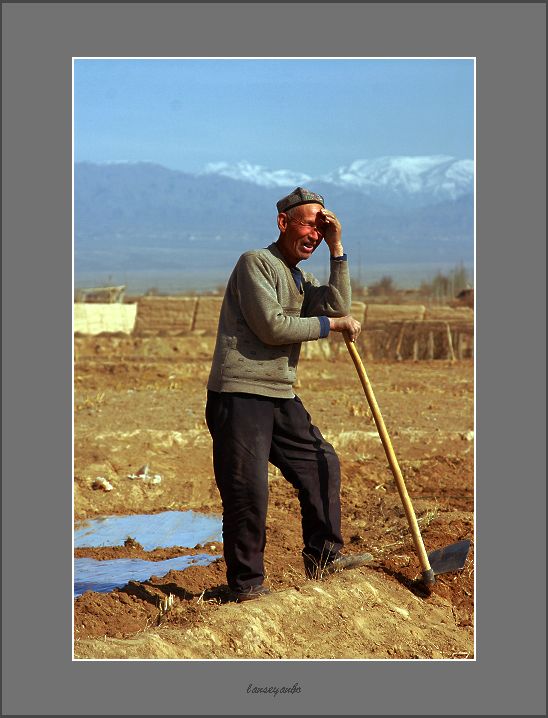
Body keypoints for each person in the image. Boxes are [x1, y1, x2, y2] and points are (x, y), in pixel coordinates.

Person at [205, 187, 372, 602]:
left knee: (321, 462)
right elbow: (274, 327)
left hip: (279, 393)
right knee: (248, 490)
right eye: (309, 224)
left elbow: (336, 305)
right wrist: (330, 328)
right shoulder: (256, 263)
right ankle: (246, 587)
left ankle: (325, 557)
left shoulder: (301, 277)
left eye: (321, 227)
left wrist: (338, 249)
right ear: (283, 223)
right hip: (240, 393)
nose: (314, 233)